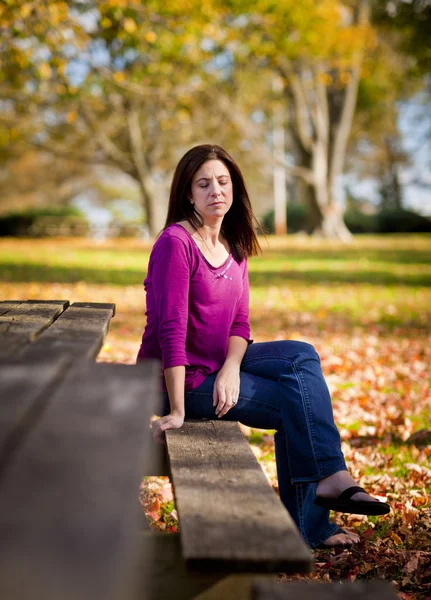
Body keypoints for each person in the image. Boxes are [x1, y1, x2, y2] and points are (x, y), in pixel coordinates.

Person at [137, 144, 390, 549]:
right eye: (203, 184)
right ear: (188, 194)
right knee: (297, 403)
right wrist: (178, 408)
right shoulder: (175, 243)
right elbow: (170, 328)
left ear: (234, 187)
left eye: (223, 181)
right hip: (178, 377)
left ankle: (328, 481)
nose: (215, 190)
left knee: (301, 355)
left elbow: (240, 322)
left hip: (218, 362)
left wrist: (232, 369)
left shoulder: (234, 245)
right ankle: (314, 519)